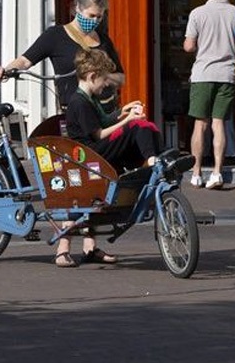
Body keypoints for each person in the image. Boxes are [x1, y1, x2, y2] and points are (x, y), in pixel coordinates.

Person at [55, 48, 161, 267]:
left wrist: (123, 112)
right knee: (136, 127)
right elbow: (99, 134)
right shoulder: (79, 102)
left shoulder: (89, 98)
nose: (106, 85)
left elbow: (103, 121)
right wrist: (127, 120)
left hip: (95, 151)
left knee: (143, 126)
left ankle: (89, 248)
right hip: (89, 155)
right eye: (104, 80)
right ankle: (152, 161)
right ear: (92, 76)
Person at [0, 0, 123, 111]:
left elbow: (120, 76)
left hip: (106, 111)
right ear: (77, 8)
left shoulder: (104, 40)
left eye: (99, 17)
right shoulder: (55, 36)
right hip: (75, 111)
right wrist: (5, 71)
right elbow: (25, 61)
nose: (95, 21)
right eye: (91, 16)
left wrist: (104, 78)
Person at [183, 0, 235, 189]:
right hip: (227, 75)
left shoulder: (197, 13)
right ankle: (218, 172)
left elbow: (189, 46)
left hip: (203, 74)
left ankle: (196, 172)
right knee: (219, 123)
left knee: (200, 124)